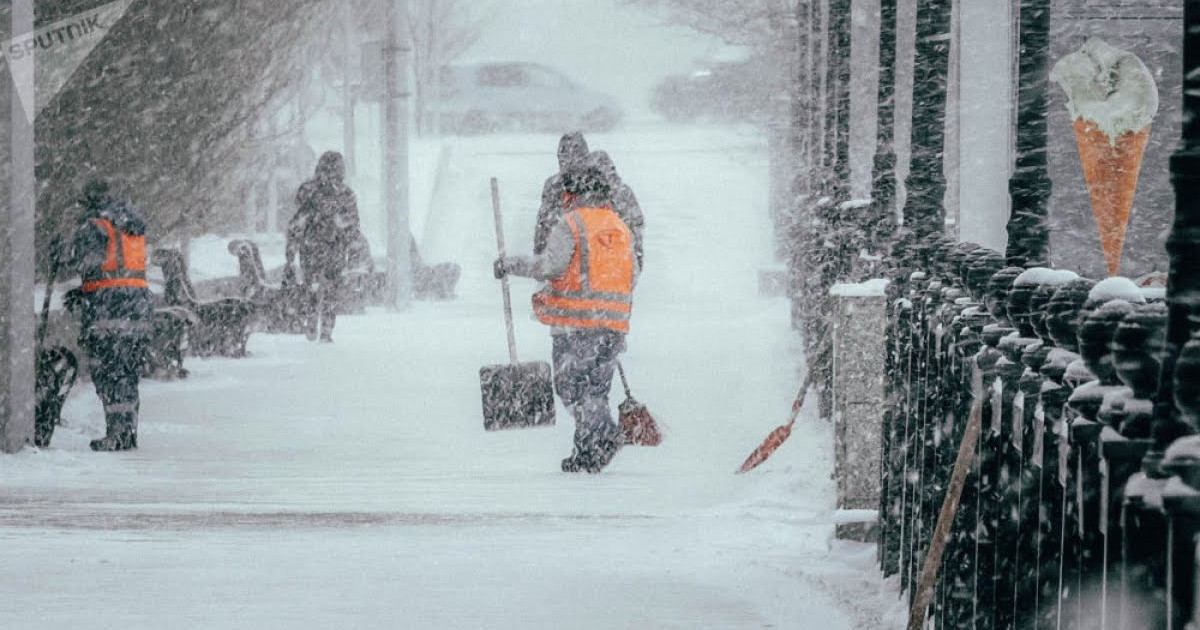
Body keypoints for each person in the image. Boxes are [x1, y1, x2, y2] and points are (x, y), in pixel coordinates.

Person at [494, 165, 639, 473]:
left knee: (571, 389)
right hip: (613, 326)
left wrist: (511, 265)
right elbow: (632, 274)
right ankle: (586, 453)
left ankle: (605, 435)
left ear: (571, 193)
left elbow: (551, 265)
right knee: (596, 390)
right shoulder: (620, 227)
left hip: (577, 326)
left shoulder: (572, 224)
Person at [63, 179, 155, 451]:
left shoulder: (95, 225)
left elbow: (88, 262)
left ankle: (116, 435)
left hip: (108, 312)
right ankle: (127, 433)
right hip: (136, 309)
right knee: (127, 373)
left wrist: (63, 254)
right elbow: (116, 269)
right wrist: (84, 290)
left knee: (109, 374)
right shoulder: (129, 224)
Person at [287, 151, 361, 342]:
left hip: (311, 247)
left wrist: (291, 248)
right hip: (334, 248)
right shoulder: (345, 194)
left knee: (312, 286)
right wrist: (352, 251)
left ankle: (312, 321)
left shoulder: (308, 190)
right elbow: (352, 227)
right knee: (331, 291)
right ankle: (326, 330)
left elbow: (297, 222)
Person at [532, 131, 590, 256]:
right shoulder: (553, 185)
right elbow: (544, 226)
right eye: (563, 157)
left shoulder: (596, 185)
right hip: (562, 261)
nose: (567, 162)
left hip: (590, 261)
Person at [587, 150, 645, 271]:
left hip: (607, 263)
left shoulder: (593, 196)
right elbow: (638, 225)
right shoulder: (624, 191)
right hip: (622, 263)